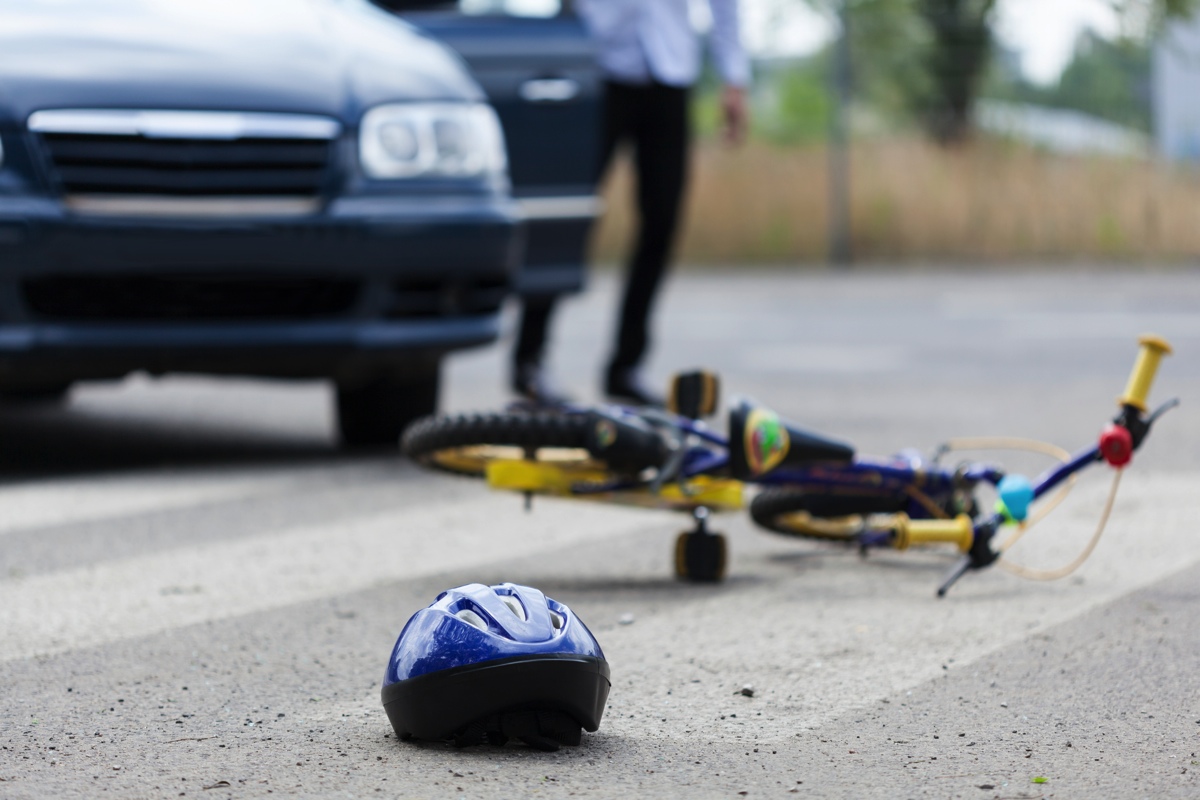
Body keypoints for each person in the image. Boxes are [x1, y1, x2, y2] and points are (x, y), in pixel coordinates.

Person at [512, 0, 750, 407]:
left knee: (662, 221)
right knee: (568, 218)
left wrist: (734, 77)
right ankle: (529, 363)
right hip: (595, 68)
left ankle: (626, 367)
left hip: (668, 70)